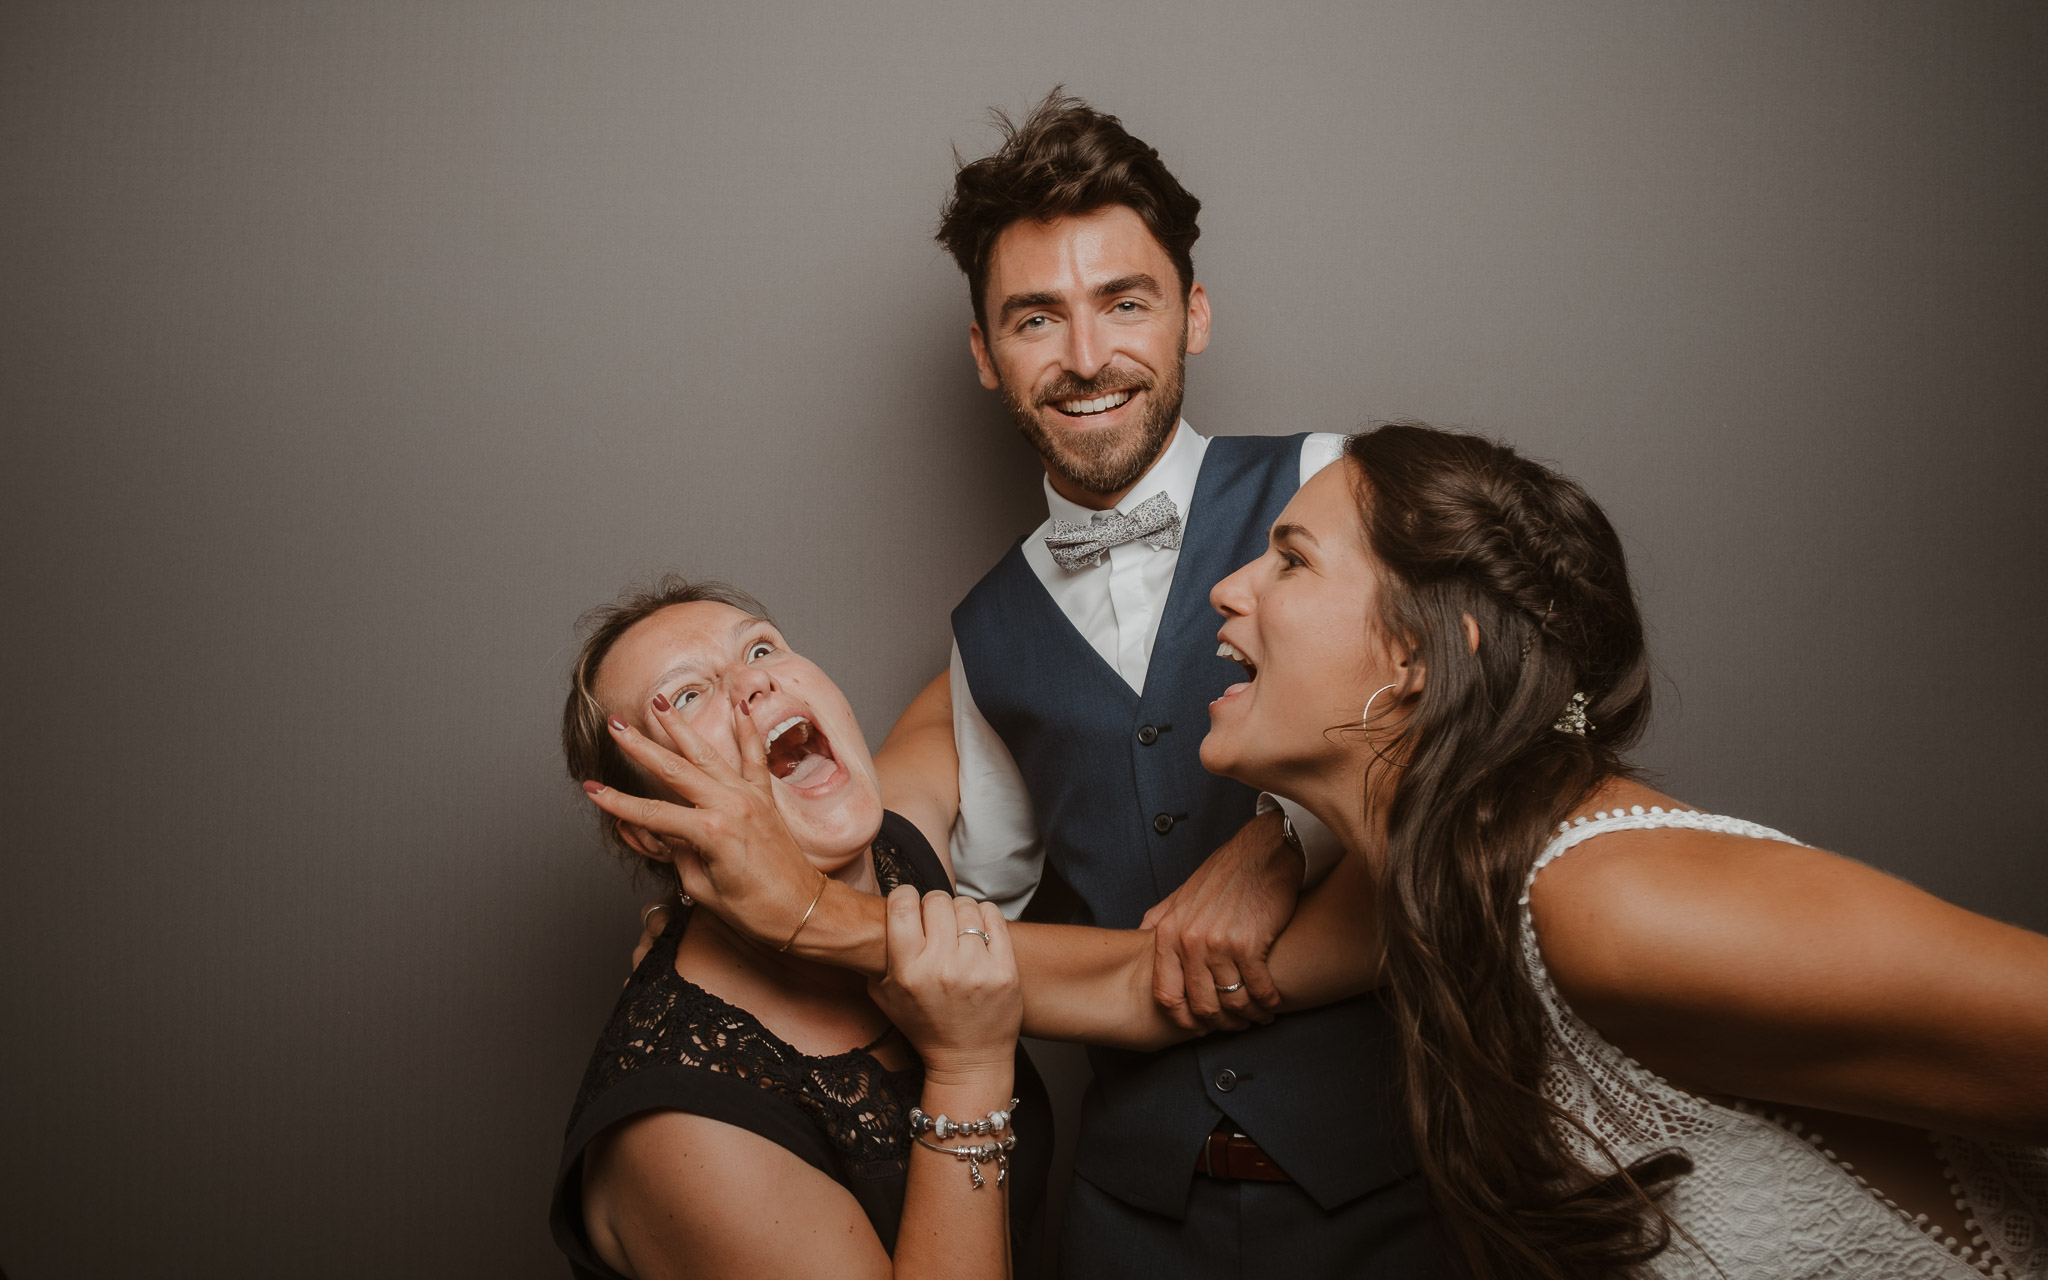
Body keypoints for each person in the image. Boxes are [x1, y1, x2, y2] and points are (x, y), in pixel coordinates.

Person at [592, 423, 2048, 1279]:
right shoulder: (1451, 892)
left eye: (1289, 560)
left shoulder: (1613, 900)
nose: (1222, 590)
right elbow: (1134, 984)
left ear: (1426, 654)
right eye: (689, 697)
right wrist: (781, 908)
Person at [914, 88, 1443, 1278]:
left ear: (1192, 315)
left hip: (1399, 1192)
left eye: (1125, 302)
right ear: (985, 356)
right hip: (1130, 1226)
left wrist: (1284, 836)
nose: (1087, 356)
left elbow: (1484, 726)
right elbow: (979, 921)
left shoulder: (1333, 484)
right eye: (1035, 318)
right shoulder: (979, 632)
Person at [549, 579, 1055, 1280]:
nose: (750, 682)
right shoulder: (683, 1136)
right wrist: (969, 1072)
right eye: (685, 697)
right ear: (650, 832)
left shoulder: (896, 854)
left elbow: (1143, 982)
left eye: (760, 647)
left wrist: (1266, 828)